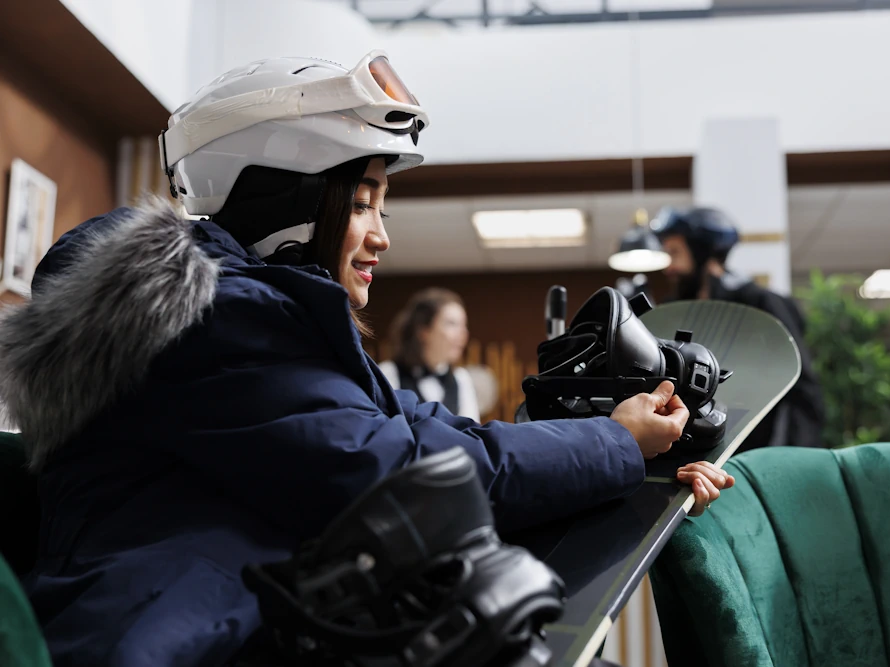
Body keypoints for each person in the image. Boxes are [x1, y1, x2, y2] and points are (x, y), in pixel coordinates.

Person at [0, 53, 735, 667]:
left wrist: (628, 456)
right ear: (284, 195)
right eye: (362, 201)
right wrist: (614, 442)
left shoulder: (274, 325)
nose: (382, 235)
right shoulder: (211, 321)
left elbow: (431, 434)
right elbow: (399, 471)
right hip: (181, 642)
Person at [651, 206, 826, 451]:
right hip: (694, 451)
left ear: (701, 252)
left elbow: (801, 389)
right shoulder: (675, 310)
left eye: (675, 252)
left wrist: (787, 457)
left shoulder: (760, 303)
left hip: (757, 451)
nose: (669, 267)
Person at [378, 287, 480, 421]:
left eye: (463, 325)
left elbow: (471, 434)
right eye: (452, 324)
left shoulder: (461, 379)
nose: (463, 334)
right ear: (423, 331)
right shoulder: (388, 374)